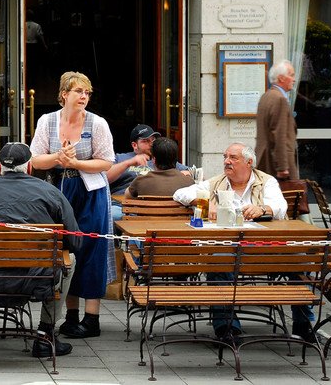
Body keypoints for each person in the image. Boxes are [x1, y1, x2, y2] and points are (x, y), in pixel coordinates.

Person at [0, 142, 81, 359]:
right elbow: (75, 241)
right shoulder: (50, 193)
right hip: (33, 279)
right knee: (69, 260)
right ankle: (45, 335)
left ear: (0, 167)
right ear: (29, 167)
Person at [172, 144, 307, 343]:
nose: (227, 161)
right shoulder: (216, 183)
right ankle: (226, 327)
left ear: (249, 162)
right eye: (225, 157)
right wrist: (205, 203)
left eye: (233, 157)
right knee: (218, 260)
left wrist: (263, 209)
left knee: (300, 259)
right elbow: (180, 193)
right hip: (230, 248)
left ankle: (304, 324)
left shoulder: (266, 181)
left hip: (265, 249)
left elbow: (280, 206)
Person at [29, 71, 114, 339]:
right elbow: (35, 159)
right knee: (67, 248)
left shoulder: (97, 123)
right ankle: (71, 316)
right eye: (78, 91)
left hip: (90, 192)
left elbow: (106, 162)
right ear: (64, 94)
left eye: (87, 93)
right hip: (59, 191)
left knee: (92, 247)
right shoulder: (47, 121)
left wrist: (75, 163)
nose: (84, 96)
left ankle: (92, 319)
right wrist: (58, 157)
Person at [108, 124, 189, 220]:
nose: (151, 144)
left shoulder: (161, 158)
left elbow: (189, 172)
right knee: (110, 215)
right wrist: (129, 163)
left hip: (156, 207)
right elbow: (105, 178)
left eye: (153, 140)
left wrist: (185, 173)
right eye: (145, 141)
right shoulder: (121, 158)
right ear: (134, 145)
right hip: (122, 205)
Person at [255, 60, 298, 181]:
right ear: (281, 78)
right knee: (290, 193)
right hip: (276, 166)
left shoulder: (266, 96)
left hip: (265, 161)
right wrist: (282, 167)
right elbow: (279, 135)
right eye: (291, 75)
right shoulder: (279, 99)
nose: (294, 79)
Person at [125, 137, 194, 199]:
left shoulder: (141, 181)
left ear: (154, 159)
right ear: (175, 158)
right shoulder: (189, 182)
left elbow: (127, 195)